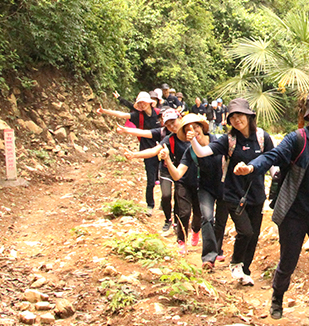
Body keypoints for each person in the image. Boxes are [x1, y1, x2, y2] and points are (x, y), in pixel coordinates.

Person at [243, 91, 309, 326]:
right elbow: (273, 156)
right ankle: (277, 297)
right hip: (294, 214)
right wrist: (252, 167)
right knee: (288, 261)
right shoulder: (297, 139)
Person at [191, 98, 274, 279]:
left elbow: (272, 160)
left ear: (249, 116)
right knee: (245, 231)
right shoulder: (228, 140)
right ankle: (236, 263)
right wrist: (193, 141)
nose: (237, 120)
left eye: (240, 116)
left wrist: (277, 177)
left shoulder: (262, 137)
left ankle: (245, 270)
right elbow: (202, 152)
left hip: (256, 194)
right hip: (233, 194)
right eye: (233, 117)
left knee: (253, 235)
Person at [159, 113, 216, 259]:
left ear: (202, 127)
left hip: (202, 185)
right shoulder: (189, 151)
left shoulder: (215, 142)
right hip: (184, 183)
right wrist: (167, 160)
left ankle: (195, 230)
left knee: (198, 213)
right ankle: (181, 240)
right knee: (184, 212)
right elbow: (177, 174)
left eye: (195, 127)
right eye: (188, 130)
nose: (193, 131)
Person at [117, 108, 183, 233]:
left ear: (180, 118)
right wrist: (134, 153)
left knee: (179, 197)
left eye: (173, 122)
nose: (171, 126)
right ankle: (168, 219)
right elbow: (149, 142)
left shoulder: (188, 134)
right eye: (168, 124)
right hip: (166, 169)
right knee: (166, 195)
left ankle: (177, 221)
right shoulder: (165, 135)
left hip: (181, 171)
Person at [98, 91, 161, 213]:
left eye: (143, 102)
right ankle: (150, 205)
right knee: (150, 181)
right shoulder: (138, 116)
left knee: (165, 178)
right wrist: (104, 111)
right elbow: (122, 115)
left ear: (149, 102)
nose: (142, 105)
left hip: (162, 149)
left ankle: (165, 203)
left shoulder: (160, 114)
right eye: (139, 103)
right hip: (146, 150)